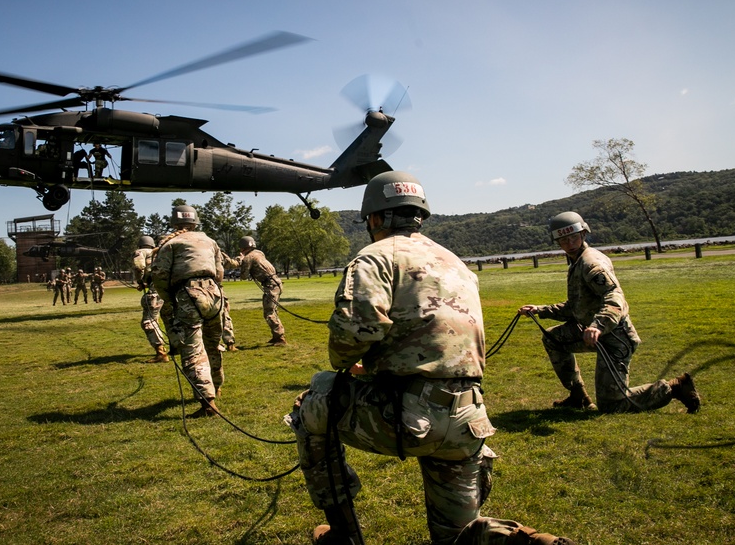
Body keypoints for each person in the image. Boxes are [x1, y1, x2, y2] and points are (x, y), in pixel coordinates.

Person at [285, 171, 575, 545]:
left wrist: (348, 362)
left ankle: (342, 534)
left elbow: (355, 332)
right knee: (456, 538)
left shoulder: (374, 257)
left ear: (375, 217)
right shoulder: (455, 262)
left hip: (409, 416)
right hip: (469, 419)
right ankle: (526, 542)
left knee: (313, 402)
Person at [517, 211, 701, 415]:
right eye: (564, 240)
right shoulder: (576, 261)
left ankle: (674, 387)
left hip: (615, 339)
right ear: (558, 242)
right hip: (595, 333)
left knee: (612, 405)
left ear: (583, 234)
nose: (569, 243)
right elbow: (577, 306)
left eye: (573, 238)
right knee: (553, 338)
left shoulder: (590, 263)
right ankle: (578, 396)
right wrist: (539, 310)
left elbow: (614, 296)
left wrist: (598, 325)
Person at [151, 206, 225, 417]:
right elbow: (220, 273)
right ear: (195, 223)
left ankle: (207, 402)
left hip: (187, 294)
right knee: (213, 344)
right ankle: (217, 386)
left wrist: (170, 300)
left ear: (174, 224)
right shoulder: (210, 241)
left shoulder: (171, 243)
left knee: (193, 349)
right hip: (214, 293)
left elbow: (159, 275)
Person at [234, 236, 287, 346]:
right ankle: (276, 335)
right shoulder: (259, 252)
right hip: (276, 282)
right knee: (273, 310)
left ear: (242, 247)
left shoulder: (248, 258)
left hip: (270, 285)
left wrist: (241, 261)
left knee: (269, 312)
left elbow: (243, 276)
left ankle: (280, 338)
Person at [133, 235, 168, 363]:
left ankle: (161, 353)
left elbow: (139, 266)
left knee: (148, 322)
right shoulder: (161, 252)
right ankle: (177, 347)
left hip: (154, 292)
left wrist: (140, 281)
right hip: (167, 290)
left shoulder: (141, 252)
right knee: (169, 319)